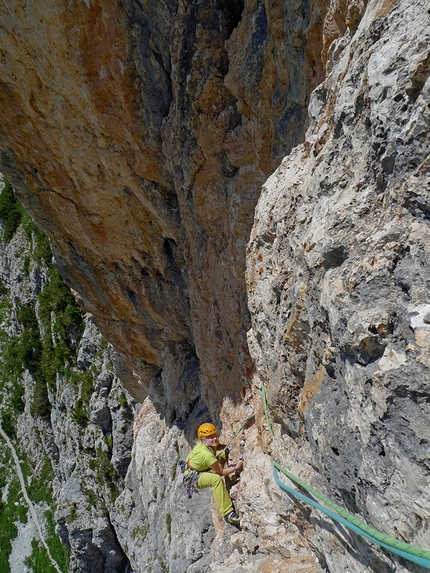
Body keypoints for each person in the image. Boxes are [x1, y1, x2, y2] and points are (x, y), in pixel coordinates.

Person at [185, 422, 244, 526]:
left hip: (197, 469)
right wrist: (236, 467)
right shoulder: (206, 454)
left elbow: (218, 447)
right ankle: (228, 514)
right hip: (194, 478)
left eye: (215, 436)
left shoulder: (205, 445)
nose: (214, 439)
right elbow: (221, 472)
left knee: (220, 452)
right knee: (215, 479)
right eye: (210, 437)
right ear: (204, 440)